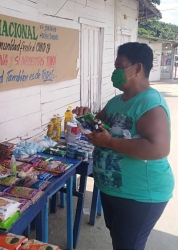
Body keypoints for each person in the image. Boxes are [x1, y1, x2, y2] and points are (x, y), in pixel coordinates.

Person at [73, 42, 175, 250]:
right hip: (112, 189)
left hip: (140, 195)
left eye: (120, 67)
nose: (115, 72)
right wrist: (87, 118)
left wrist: (110, 142)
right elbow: (99, 129)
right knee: (121, 241)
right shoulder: (116, 101)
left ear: (137, 68)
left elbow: (158, 149)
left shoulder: (149, 103)